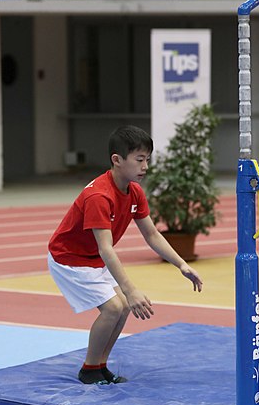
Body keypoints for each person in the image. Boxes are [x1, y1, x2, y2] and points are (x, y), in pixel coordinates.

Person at [48, 125, 203, 385]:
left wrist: (181, 264)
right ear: (117, 160)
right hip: (70, 259)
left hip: (93, 258)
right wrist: (130, 290)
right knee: (114, 307)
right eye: (139, 160)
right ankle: (88, 370)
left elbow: (152, 234)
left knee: (121, 310)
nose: (145, 166)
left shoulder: (134, 191)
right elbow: (105, 248)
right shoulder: (99, 196)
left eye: (147, 160)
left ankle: (99, 366)